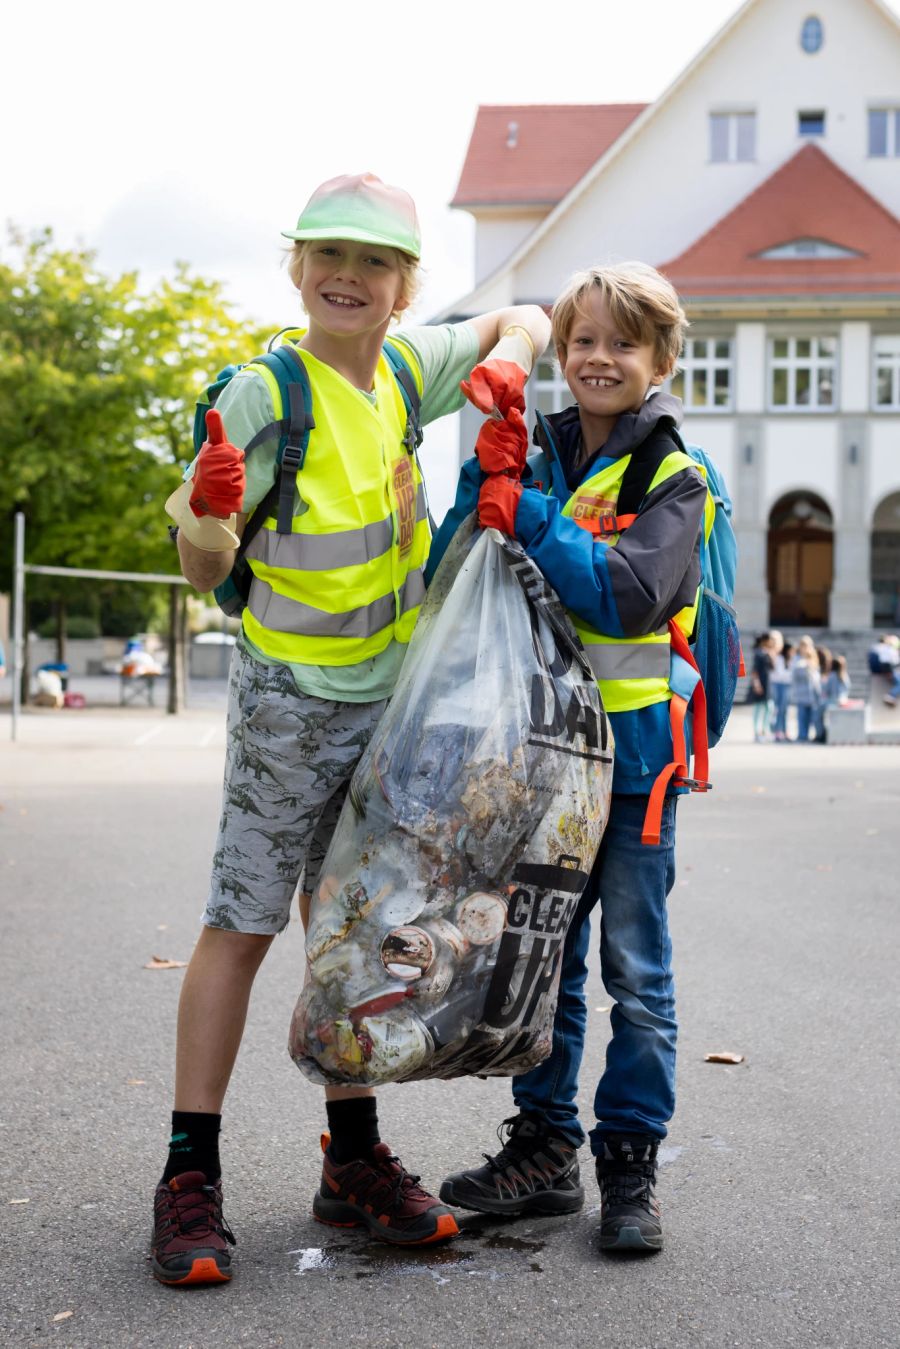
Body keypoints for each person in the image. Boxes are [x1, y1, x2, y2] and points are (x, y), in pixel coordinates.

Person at [155, 172, 552, 1286]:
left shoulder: (406, 372)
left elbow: (525, 312)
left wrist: (510, 358)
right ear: (297, 267)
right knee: (243, 923)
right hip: (289, 704)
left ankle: (355, 1158)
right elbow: (205, 568)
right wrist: (210, 519)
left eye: (374, 260)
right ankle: (189, 1176)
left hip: (390, 705)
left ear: (401, 284)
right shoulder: (259, 393)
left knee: (358, 929)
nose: (348, 274)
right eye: (328, 253)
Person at [433, 262, 713, 1253]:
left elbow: (632, 595)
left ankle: (628, 1164)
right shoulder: (541, 447)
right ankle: (543, 1145)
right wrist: (485, 471)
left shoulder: (676, 474)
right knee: (540, 955)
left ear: (661, 360)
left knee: (636, 969)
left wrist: (530, 508)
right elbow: (458, 558)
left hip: (635, 764)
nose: (598, 358)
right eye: (581, 339)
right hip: (543, 760)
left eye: (621, 343)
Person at [789, 634, 821, 742]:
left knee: (812, 716)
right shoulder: (797, 658)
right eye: (803, 645)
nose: (805, 648)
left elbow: (816, 674)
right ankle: (802, 735)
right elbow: (793, 674)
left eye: (807, 645)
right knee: (801, 715)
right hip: (801, 691)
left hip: (812, 692)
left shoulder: (813, 657)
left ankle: (810, 734)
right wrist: (803, 666)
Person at [748, 632, 776, 742]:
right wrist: (756, 684)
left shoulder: (768, 652)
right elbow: (755, 670)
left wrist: (771, 654)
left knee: (769, 707)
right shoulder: (758, 653)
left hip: (767, 683)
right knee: (758, 708)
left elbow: (772, 667)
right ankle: (757, 732)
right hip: (760, 683)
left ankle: (765, 730)